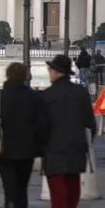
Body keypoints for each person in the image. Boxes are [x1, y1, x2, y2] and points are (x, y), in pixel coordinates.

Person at [0, 62, 48, 208]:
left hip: (3, 149)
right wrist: (41, 148)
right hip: (27, 150)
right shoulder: (34, 97)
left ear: (8, 75)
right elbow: (41, 125)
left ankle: (10, 204)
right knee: (22, 189)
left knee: (9, 188)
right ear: (25, 76)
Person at [42, 55, 96, 208]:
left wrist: (42, 150)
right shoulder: (81, 93)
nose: (49, 72)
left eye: (50, 69)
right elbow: (90, 125)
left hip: (53, 153)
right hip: (76, 151)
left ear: (57, 72)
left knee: (58, 197)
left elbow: (40, 127)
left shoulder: (46, 96)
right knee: (72, 195)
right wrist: (85, 144)